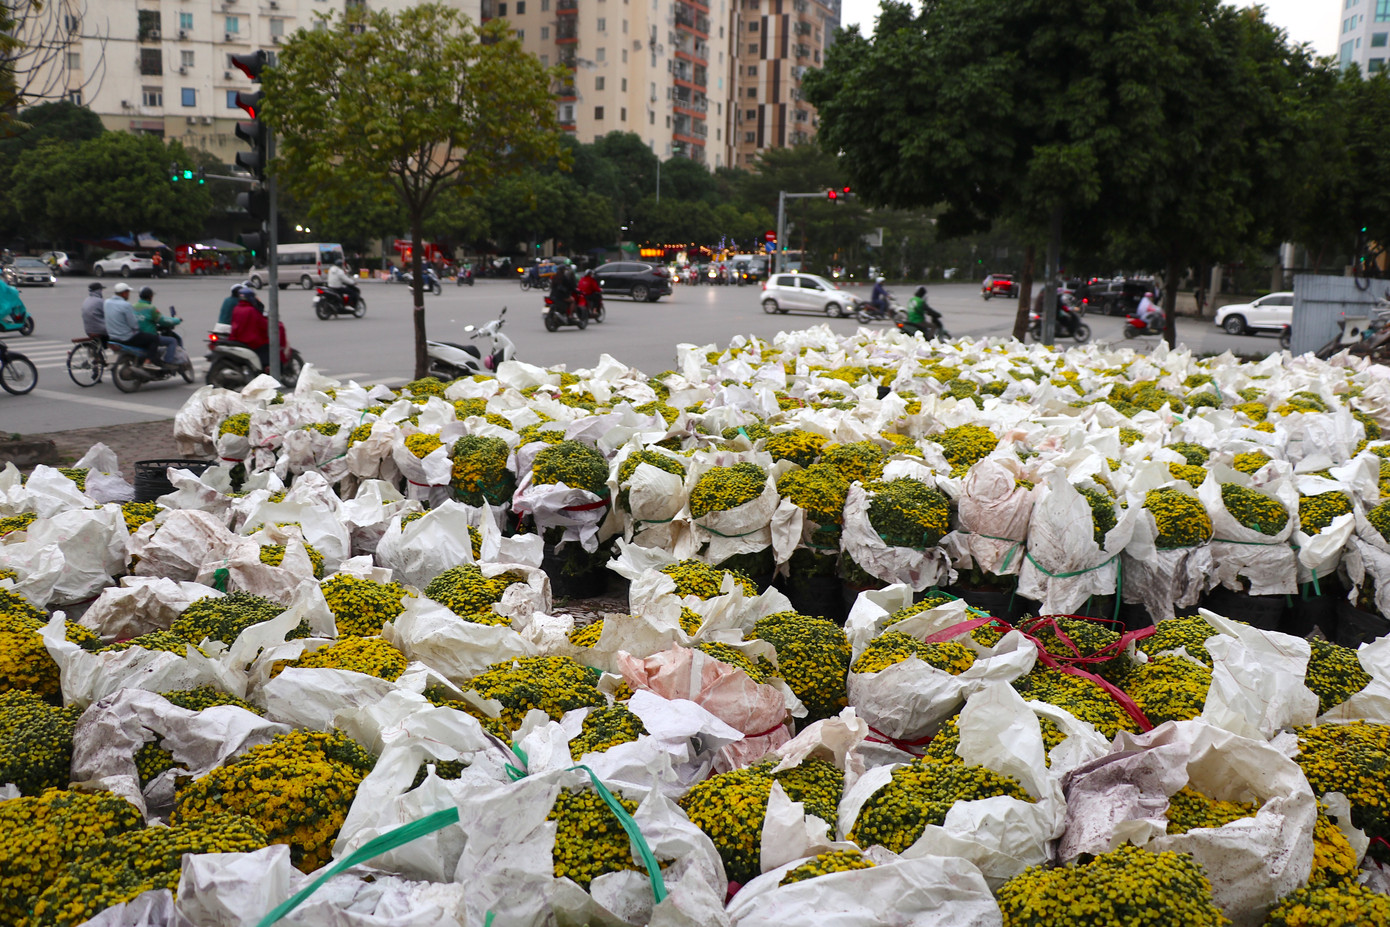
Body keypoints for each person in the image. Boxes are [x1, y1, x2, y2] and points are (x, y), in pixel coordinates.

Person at [103, 282, 166, 364]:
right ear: (124, 293)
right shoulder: (126, 305)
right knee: (154, 339)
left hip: (112, 337)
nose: (129, 295)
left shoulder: (107, 302)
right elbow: (134, 325)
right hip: (126, 338)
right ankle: (149, 361)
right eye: (128, 292)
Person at [230, 286, 289, 371]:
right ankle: (267, 367)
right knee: (269, 347)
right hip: (251, 341)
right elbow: (263, 325)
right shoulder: (251, 310)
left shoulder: (236, 308)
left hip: (239, 338)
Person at [133, 285, 181, 362]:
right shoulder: (151, 308)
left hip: (136, 336)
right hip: (149, 337)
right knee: (172, 341)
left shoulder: (133, 306)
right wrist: (177, 320)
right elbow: (163, 320)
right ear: (150, 297)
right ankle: (167, 363)